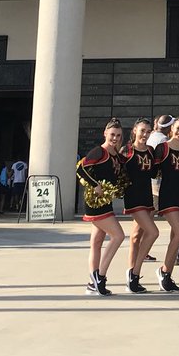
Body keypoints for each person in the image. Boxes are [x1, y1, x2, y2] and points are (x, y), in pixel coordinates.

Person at [76, 118, 127, 296]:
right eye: (112, 134)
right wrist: (95, 185)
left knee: (97, 242)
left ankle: (92, 283)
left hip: (106, 202)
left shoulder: (117, 156)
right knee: (118, 236)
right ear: (105, 133)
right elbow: (81, 169)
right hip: (96, 203)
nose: (115, 138)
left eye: (118, 135)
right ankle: (100, 277)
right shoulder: (99, 151)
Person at [153, 115, 179, 293]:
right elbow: (152, 171)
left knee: (175, 237)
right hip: (168, 195)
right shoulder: (162, 148)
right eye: (178, 128)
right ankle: (163, 271)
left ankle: (167, 275)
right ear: (171, 129)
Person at [121, 119, 160, 294]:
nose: (145, 134)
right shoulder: (126, 150)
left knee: (136, 236)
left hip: (147, 197)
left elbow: (154, 172)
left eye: (148, 131)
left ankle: (131, 276)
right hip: (133, 198)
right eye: (142, 130)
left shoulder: (150, 151)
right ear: (135, 130)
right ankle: (135, 273)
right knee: (153, 232)